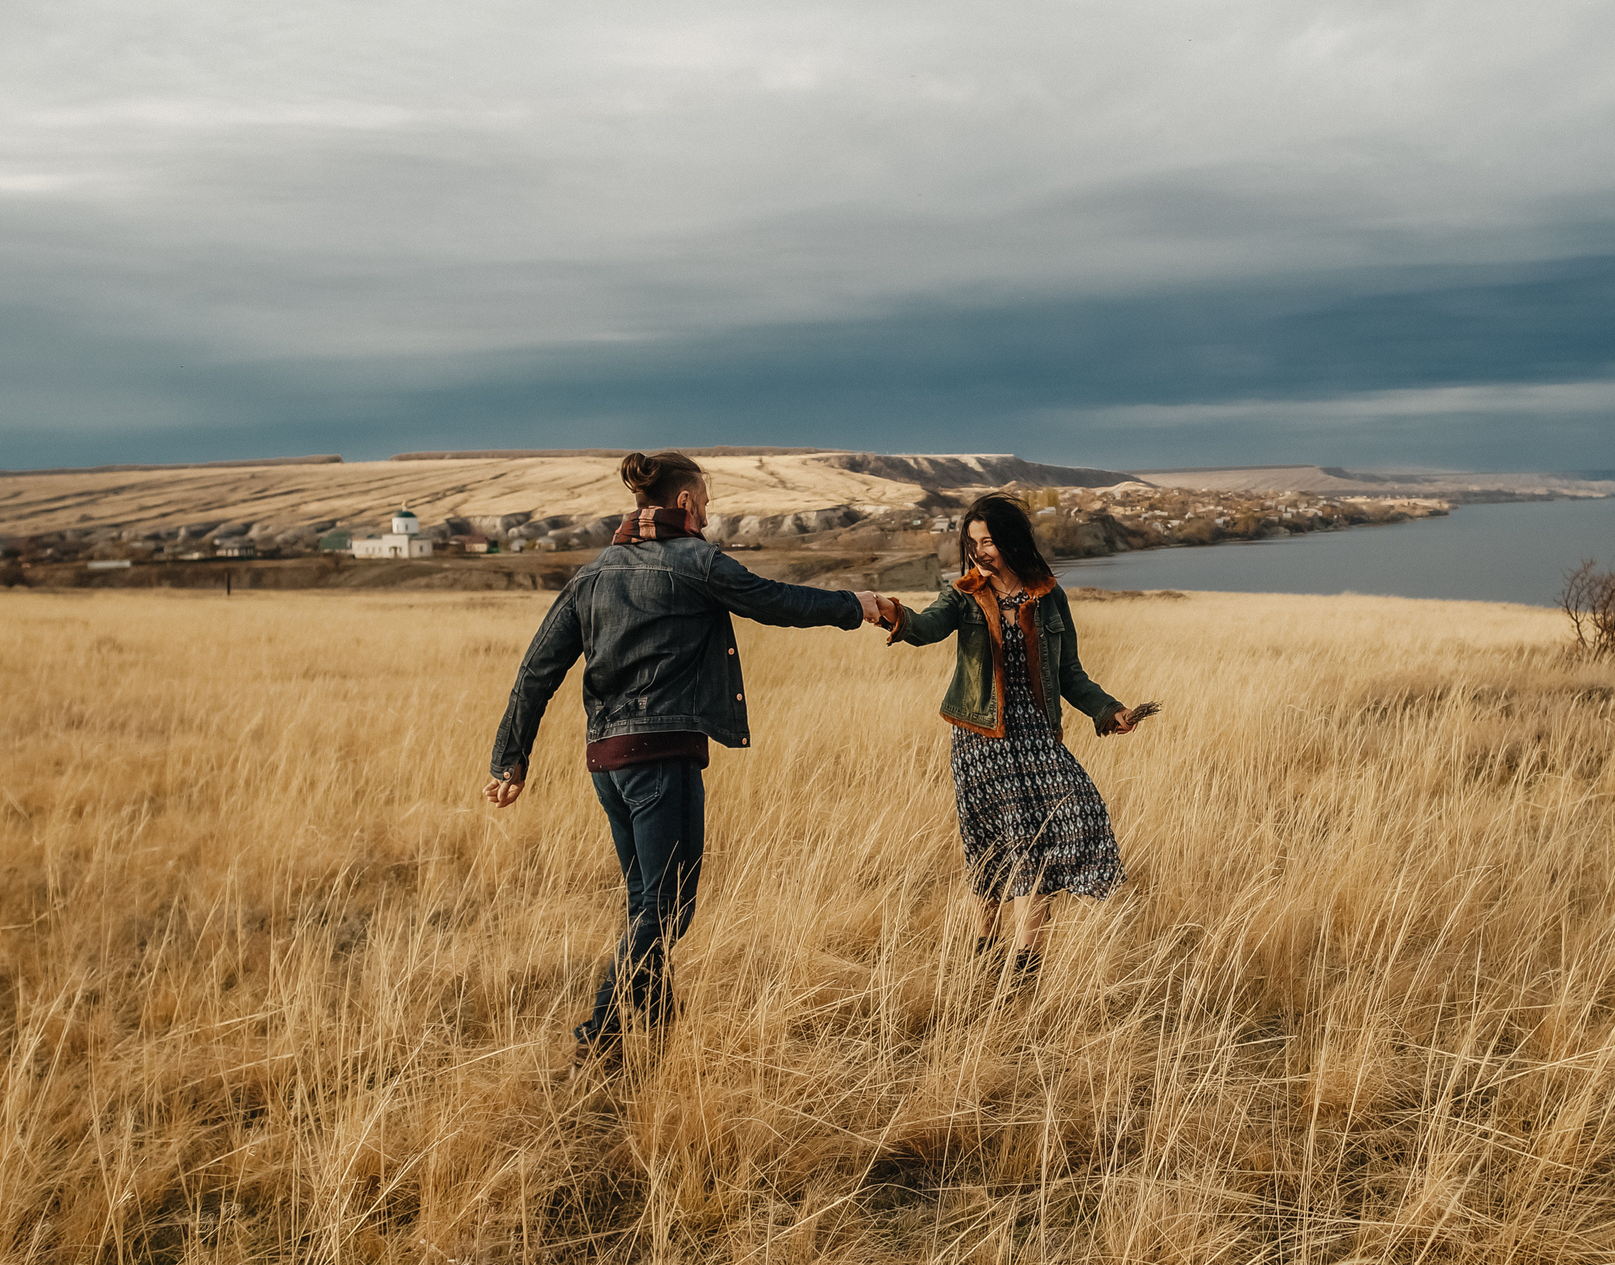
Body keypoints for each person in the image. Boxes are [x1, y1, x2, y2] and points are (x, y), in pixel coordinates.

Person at [483, 451, 887, 1066]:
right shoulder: (697, 562)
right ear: (688, 503)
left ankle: (651, 1029)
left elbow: (536, 672)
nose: (708, 510)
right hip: (662, 757)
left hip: (606, 762)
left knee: (644, 898)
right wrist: (853, 604)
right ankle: (600, 1033)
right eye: (707, 499)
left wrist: (510, 760)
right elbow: (775, 601)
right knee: (669, 904)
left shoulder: (591, 575)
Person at [883, 494, 1148, 978]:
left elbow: (1070, 673)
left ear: (1010, 542)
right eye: (972, 542)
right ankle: (985, 944)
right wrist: (890, 613)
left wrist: (1110, 711)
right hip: (981, 737)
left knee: (1060, 822)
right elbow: (925, 628)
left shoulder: (1048, 596)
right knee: (991, 844)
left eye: (988, 541)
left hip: (1036, 735)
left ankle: (1025, 964)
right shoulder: (964, 593)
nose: (979, 550)